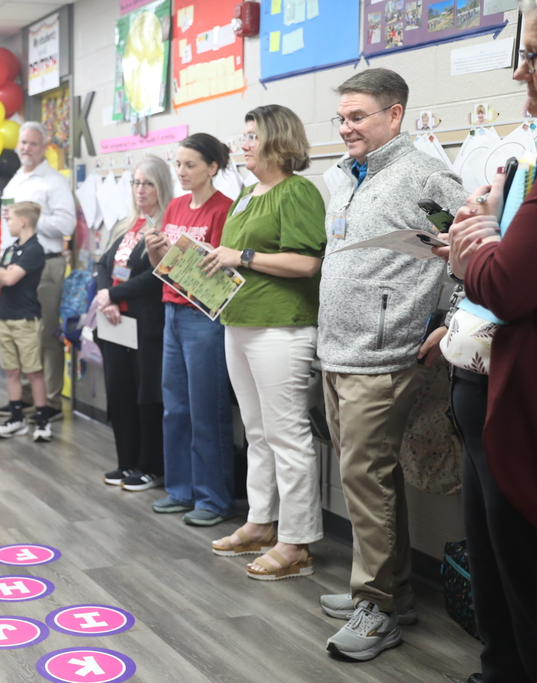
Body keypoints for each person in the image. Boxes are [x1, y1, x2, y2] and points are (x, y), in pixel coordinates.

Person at [315, 68, 467, 661]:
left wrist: (451, 320)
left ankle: (375, 608)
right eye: (343, 117)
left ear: (394, 114)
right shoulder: (353, 176)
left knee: (365, 479)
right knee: (373, 479)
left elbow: (477, 243)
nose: (347, 127)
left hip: (384, 354)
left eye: (358, 117)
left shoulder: (424, 173)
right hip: (341, 351)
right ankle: (395, 591)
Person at [444, 11, 537, 676]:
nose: (519, 71)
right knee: (495, 550)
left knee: (519, 563)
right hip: (483, 378)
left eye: (532, 55)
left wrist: (464, 255)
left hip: (518, 398)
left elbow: (506, 282)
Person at [202, 105, 326, 585]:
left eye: (252, 136)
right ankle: (260, 523)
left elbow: (306, 263)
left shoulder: (297, 191)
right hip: (240, 322)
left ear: (278, 140)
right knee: (256, 431)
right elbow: (232, 260)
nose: (243, 144)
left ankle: (296, 543)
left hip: (281, 327)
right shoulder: (247, 195)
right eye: (244, 134)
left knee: (287, 435)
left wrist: (243, 255)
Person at [145, 134, 236, 523]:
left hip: (205, 317)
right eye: (178, 165)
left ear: (212, 168)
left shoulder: (224, 210)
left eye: (190, 165)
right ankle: (180, 489)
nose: (181, 172)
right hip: (172, 312)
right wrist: (155, 250)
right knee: (176, 408)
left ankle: (212, 499)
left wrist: (177, 257)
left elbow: (221, 272)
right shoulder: (176, 206)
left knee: (206, 410)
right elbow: (162, 267)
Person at [96, 156, 172, 492]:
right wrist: (105, 296)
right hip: (115, 322)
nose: (140, 190)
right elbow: (102, 262)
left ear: (162, 186)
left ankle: (149, 466)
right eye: (136, 183)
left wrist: (111, 294)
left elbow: (156, 277)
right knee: (120, 392)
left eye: (148, 183)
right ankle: (126, 461)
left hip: (147, 325)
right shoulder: (128, 224)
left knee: (147, 395)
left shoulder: (166, 226)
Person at [0, 122, 76, 421]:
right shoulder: (15, 180)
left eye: (33, 143)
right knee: (23, 335)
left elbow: (66, 225)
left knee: (46, 335)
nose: (26, 148)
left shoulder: (53, 182)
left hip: (45, 265)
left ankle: (53, 402)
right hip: (16, 267)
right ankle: (28, 397)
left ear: (44, 148)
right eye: (23, 143)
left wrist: (30, 219)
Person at [0, 201, 53, 442]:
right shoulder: (11, 248)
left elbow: (10, 279)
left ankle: (42, 420)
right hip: (4, 316)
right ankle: (16, 418)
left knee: (33, 371)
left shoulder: (35, 249)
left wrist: (1, 272)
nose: (8, 223)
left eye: (10, 219)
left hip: (25, 318)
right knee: (11, 370)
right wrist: (0, 272)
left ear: (23, 221)